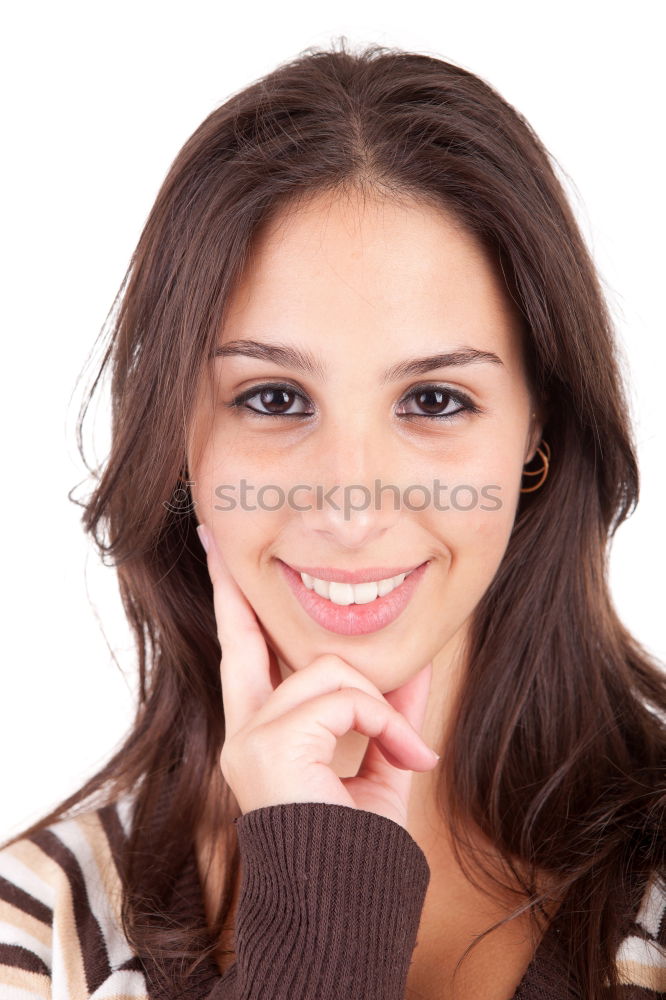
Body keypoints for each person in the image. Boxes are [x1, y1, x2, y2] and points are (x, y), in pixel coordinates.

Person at [1, 38, 664, 1000]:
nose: (351, 506)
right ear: (179, 440)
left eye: (435, 401)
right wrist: (318, 927)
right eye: (273, 399)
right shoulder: (38, 935)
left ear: (538, 433)